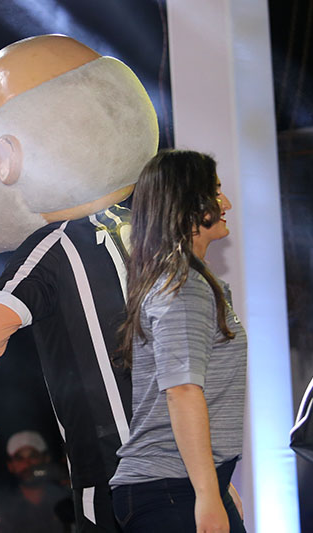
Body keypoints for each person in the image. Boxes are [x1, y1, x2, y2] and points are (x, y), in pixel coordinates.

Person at [0, 35, 159, 532]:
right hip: (182, 457)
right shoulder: (150, 230)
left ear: (9, 157)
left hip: (116, 467)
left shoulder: (56, 246)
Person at [109, 150, 247, 532]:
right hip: (169, 491)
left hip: (182, 484)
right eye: (215, 193)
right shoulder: (183, 286)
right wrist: (206, 493)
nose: (227, 204)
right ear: (186, 204)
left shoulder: (191, 281)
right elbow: (182, 392)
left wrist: (218, 484)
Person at [0, 430, 73, 533]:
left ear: (46, 458)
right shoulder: (0, 507)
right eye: (20, 458)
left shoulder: (66, 496)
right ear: (10, 465)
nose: (27, 463)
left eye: (33, 456)